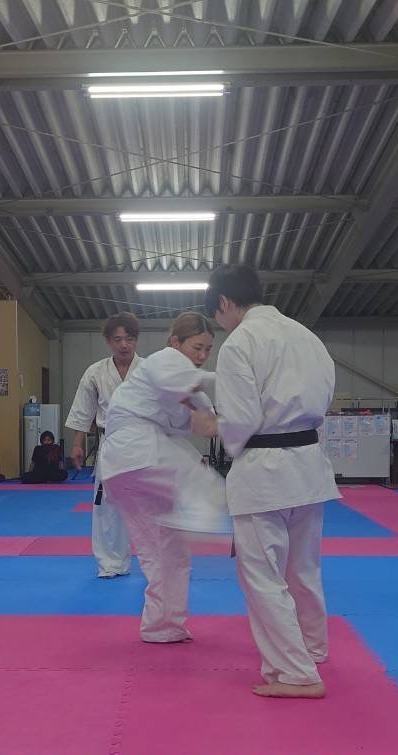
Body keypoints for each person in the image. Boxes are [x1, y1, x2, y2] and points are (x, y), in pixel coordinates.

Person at [197, 264, 339, 699]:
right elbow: (324, 399)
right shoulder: (307, 337)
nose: (220, 324)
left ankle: (296, 672)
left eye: (217, 315)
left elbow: (241, 420)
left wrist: (212, 426)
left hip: (264, 473)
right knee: (303, 569)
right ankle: (312, 648)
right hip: (309, 467)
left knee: (261, 575)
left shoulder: (241, 342)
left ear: (224, 302)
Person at [101, 312, 229, 644]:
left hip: (124, 468)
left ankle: (163, 626)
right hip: (137, 449)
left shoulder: (193, 388)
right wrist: (236, 379)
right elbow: (189, 382)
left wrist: (249, 421)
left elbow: (207, 426)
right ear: (175, 342)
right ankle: (198, 519)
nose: (202, 355)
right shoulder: (164, 360)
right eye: (197, 347)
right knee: (206, 484)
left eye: (208, 349)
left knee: (165, 552)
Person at [66, 312, 142, 578]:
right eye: (118, 339)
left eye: (129, 338)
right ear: (108, 341)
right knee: (106, 505)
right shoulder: (95, 372)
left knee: (147, 506)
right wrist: (77, 444)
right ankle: (110, 563)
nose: (124, 345)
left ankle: (157, 563)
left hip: (143, 443)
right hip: (110, 442)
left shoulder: (148, 370)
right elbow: (83, 411)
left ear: (136, 340)